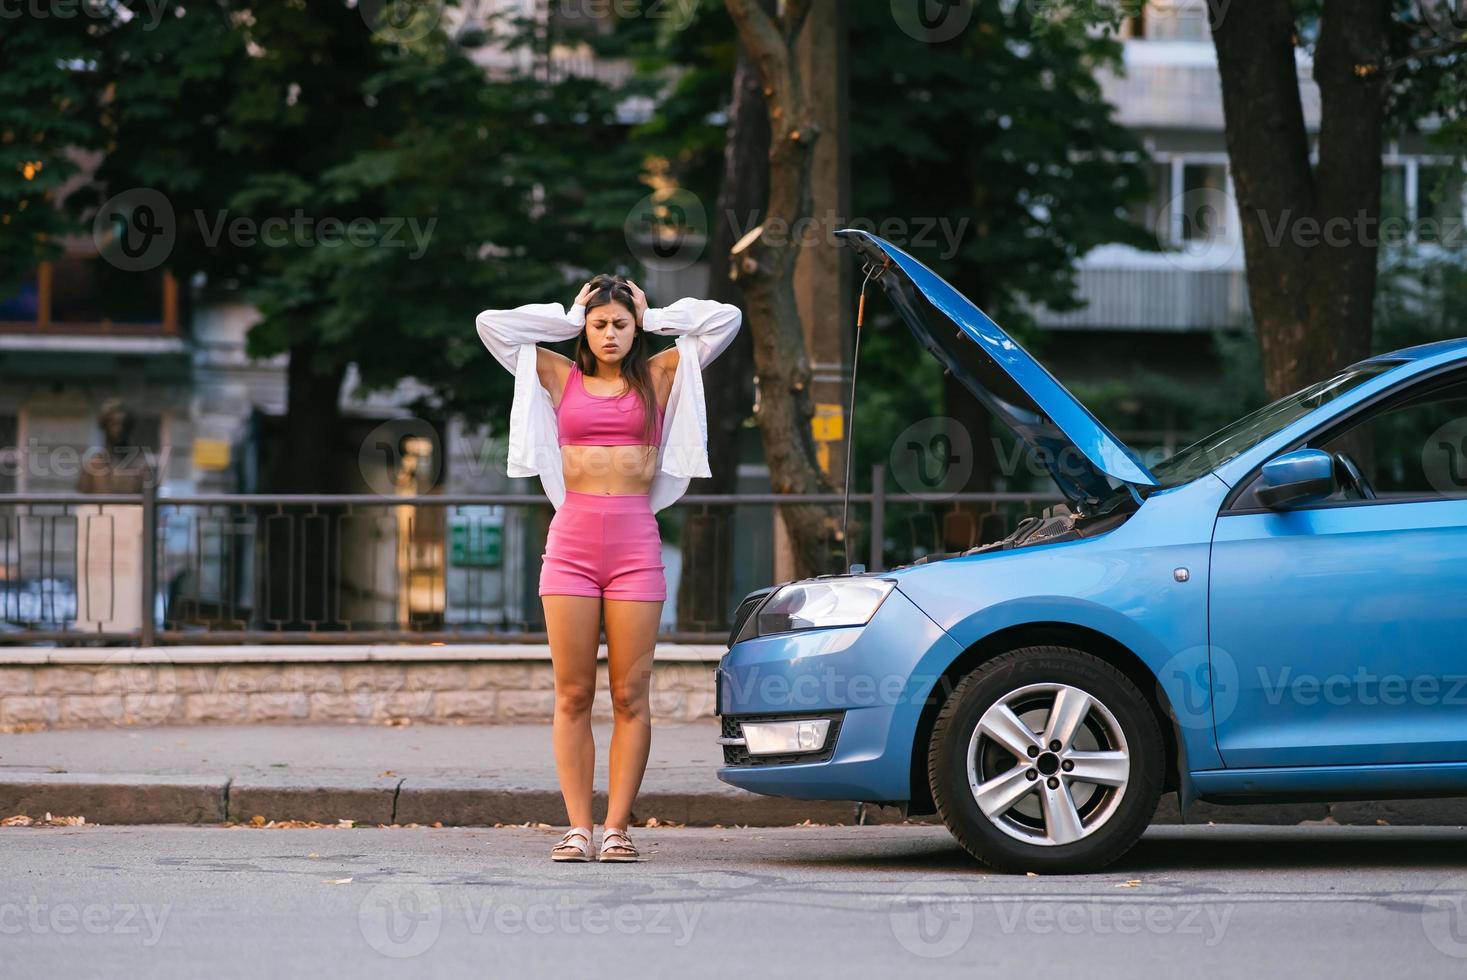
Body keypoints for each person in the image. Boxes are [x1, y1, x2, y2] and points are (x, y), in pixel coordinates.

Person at [475, 275, 741, 862]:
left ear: (634, 328)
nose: (610, 334)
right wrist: (571, 317)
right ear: (586, 331)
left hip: (634, 546)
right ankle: (577, 828)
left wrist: (655, 314)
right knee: (572, 693)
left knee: (630, 695)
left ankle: (617, 827)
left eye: (620, 324)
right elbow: (491, 324)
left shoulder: (662, 375)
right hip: (570, 543)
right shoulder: (557, 375)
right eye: (600, 325)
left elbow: (725, 319)